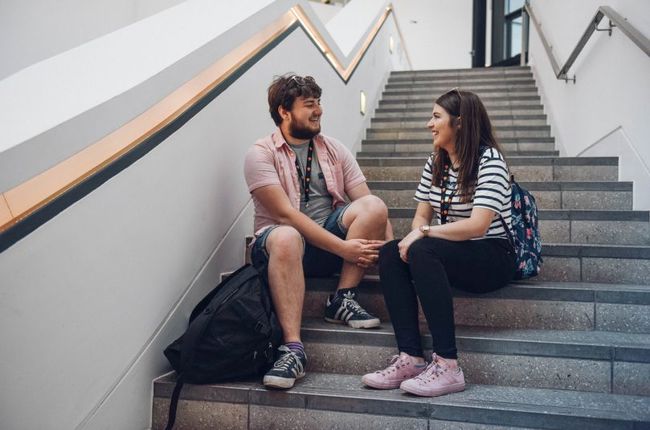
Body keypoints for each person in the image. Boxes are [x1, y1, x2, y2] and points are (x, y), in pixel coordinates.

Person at [361, 88, 516, 397]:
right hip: (451, 250)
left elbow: (477, 225)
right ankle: (412, 358)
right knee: (392, 251)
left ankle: (448, 365)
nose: (428, 124)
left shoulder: (490, 162)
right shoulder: (436, 163)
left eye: (435, 117)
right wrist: (418, 232)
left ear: (459, 123)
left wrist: (425, 233)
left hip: (493, 255)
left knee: (422, 246)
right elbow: (421, 216)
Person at [244, 74, 393, 390]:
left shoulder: (334, 149)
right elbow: (285, 214)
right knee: (286, 234)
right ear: (284, 111)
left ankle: (342, 298)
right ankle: (293, 349)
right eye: (309, 105)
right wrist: (346, 251)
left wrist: (393, 255)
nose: (319, 111)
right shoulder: (260, 153)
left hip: (327, 248)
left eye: (319, 103)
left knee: (374, 205)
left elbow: (367, 203)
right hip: (279, 248)